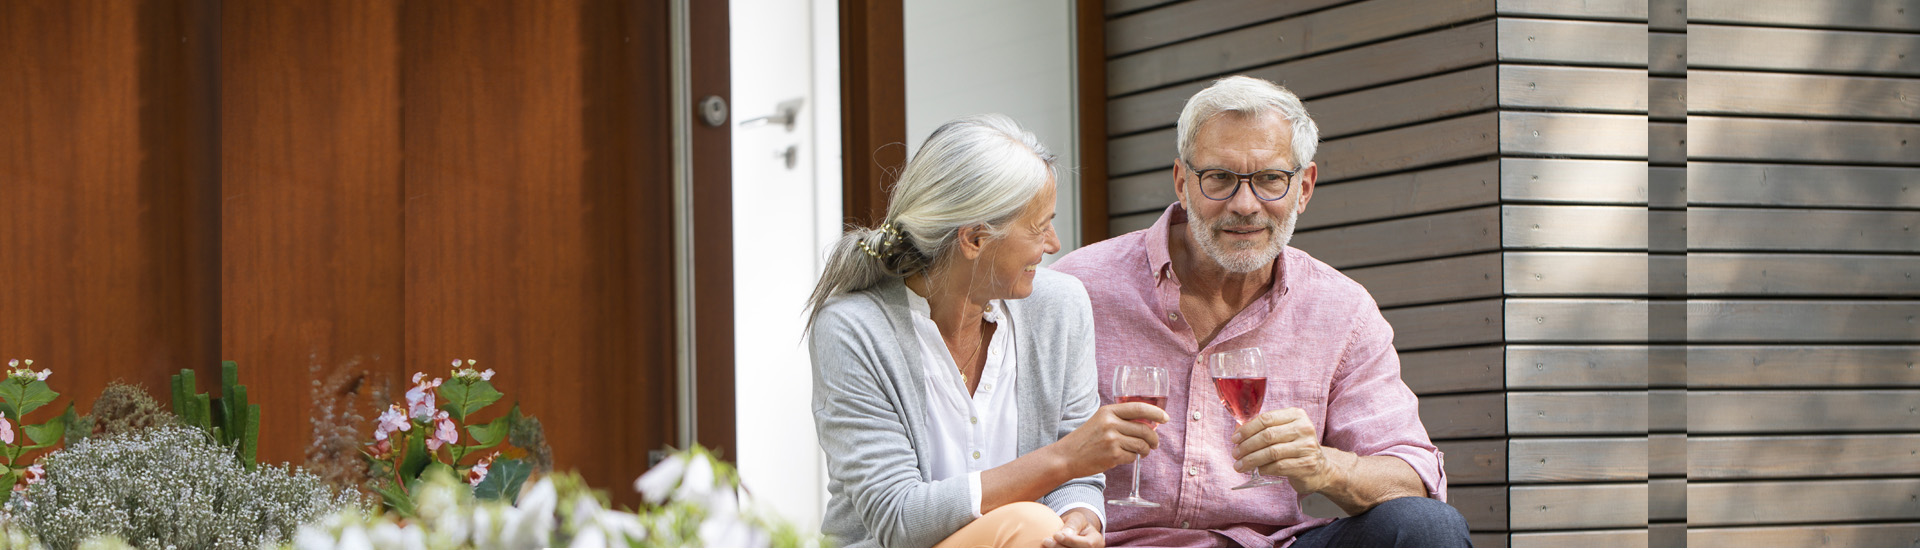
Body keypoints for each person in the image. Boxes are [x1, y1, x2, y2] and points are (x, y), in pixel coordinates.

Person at [1052, 76, 1470, 547]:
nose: (1245, 205)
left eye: (1270, 179)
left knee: (1427, 527)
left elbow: (1411, 475)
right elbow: (1017, 449)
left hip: (1267, 544)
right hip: (1114, 543)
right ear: (1183, 183)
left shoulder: (1342, 310)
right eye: (1220, 178)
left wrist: (1322, 465)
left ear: (1304, 187)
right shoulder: (1079, 288)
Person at [807, 114, 1170, 548]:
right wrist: (1061, 460)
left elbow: (1080, 474)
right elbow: (896, 518)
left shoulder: (1061, 306)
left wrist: (1079, 518)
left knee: (1043, 529)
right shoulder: (854, 330)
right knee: (1033, 526)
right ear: (975, 239)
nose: (1054, 244)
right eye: (1039, 227)